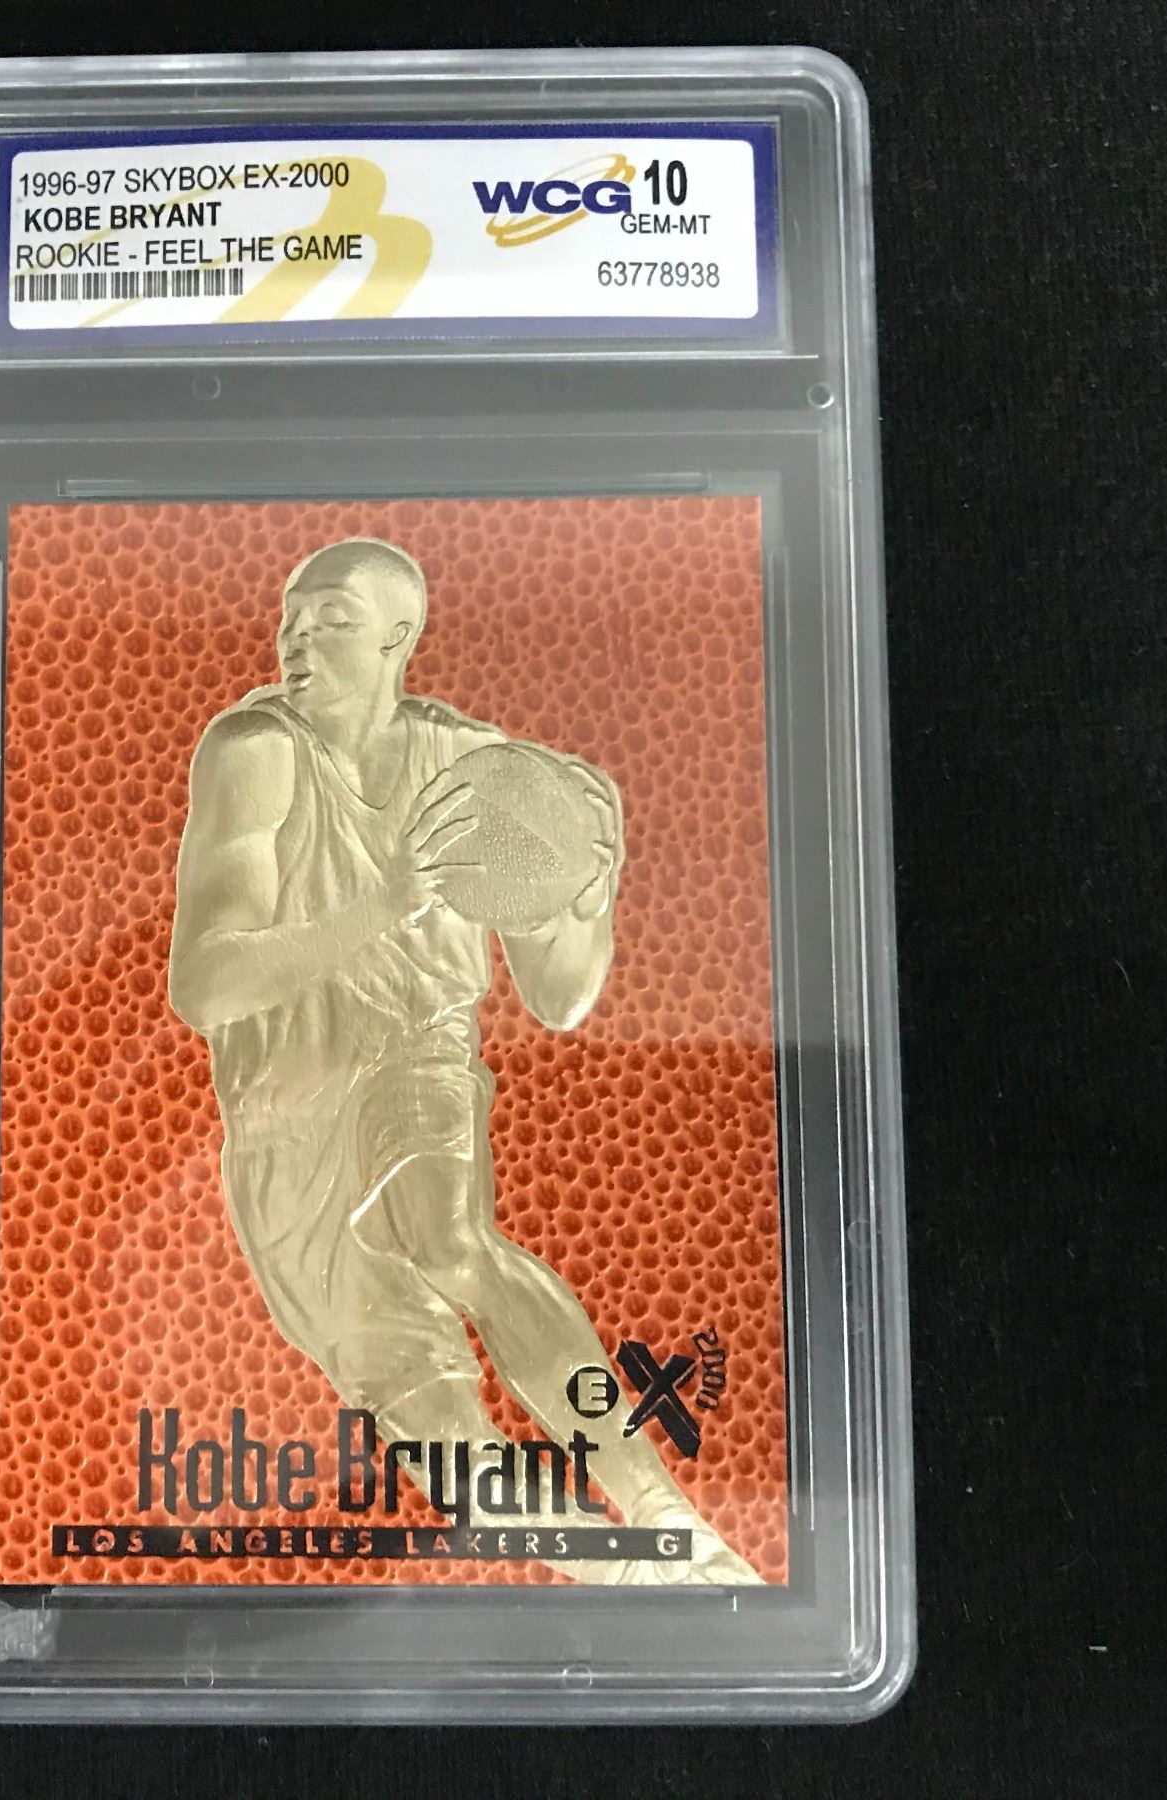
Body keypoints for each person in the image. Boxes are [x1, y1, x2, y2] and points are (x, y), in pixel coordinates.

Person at [168, 537, 758, 1584]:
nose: (298, 637)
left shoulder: (482, 773)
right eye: (291, 619)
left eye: (332, 618)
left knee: (446, 1235)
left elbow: (561, 999)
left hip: (414, 1050)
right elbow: (206, 985)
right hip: (283, 1115)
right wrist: (386, 903)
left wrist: (587, 897)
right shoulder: (254, 751)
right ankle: (638, 1576)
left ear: (398, 637)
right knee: (432, 1418)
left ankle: (664, 1511)